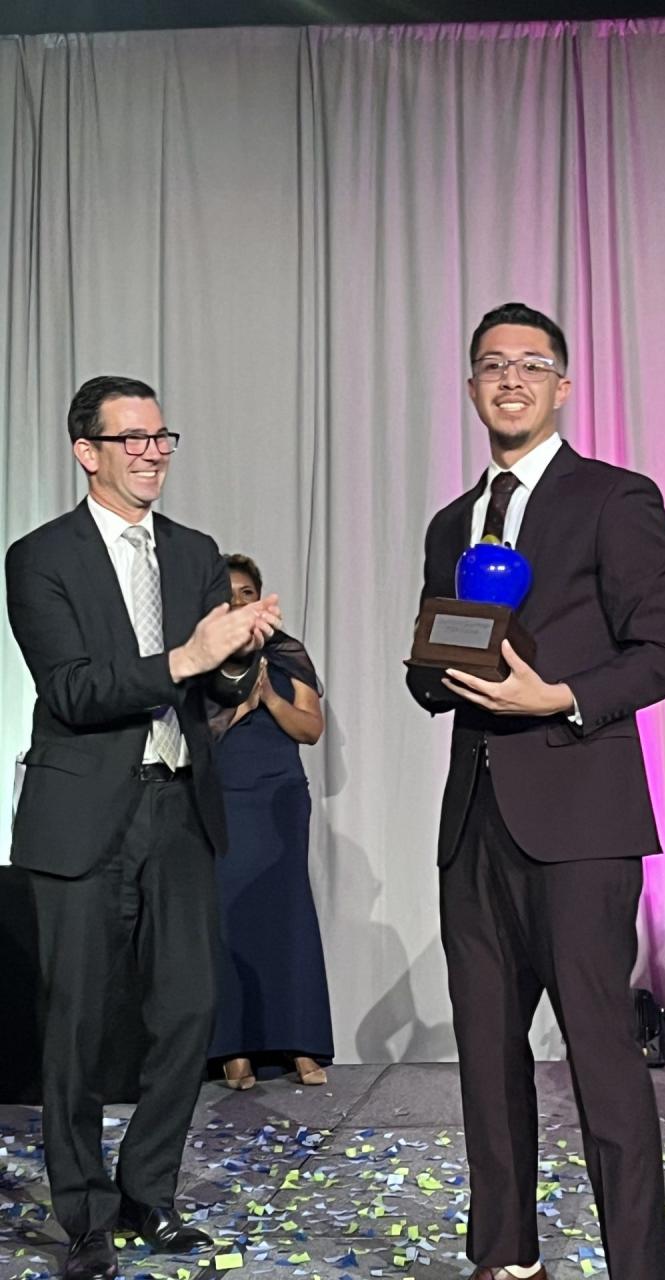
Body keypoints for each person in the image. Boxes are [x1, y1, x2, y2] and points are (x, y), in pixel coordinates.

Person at [406, 303, 665, 1280]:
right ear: (475, 384)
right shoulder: (455, 521)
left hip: (581, 820)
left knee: (604, 1061)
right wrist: (433, 666)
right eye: (492, 363)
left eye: (531, 363)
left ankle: (637, 1268)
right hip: (474, 823)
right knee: (490, 1068)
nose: (510, 377)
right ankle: (505, 1260)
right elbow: (432, 663)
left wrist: (562, 695)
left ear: (562, 385)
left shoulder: (616, 498)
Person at [5, 376, 281, 1280]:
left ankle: (147, 1196)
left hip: (177, 809)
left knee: (188, 1010)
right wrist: (189, 654)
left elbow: (214, 690)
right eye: (132, 438)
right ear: (88, 452)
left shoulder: (196, 550)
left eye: (162, 436)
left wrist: (241, 660)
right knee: (77, 1024)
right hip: (81, 816)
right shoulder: (38, 557)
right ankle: (83, 1214)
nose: (152, 452)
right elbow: (76, 691)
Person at [208, 552, 333, 1090]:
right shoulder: (200, 658)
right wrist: (235, 709)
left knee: (287, 914)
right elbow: (186, 739)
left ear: (259, 600)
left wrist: (268, 698)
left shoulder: (286, 654)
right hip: (222, 797)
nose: (237, 601)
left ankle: (300, 1043)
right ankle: (233, 1050)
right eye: (227, 593)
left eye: (245, 593)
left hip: (279, 797)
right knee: (227, 918)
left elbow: (310, 729)